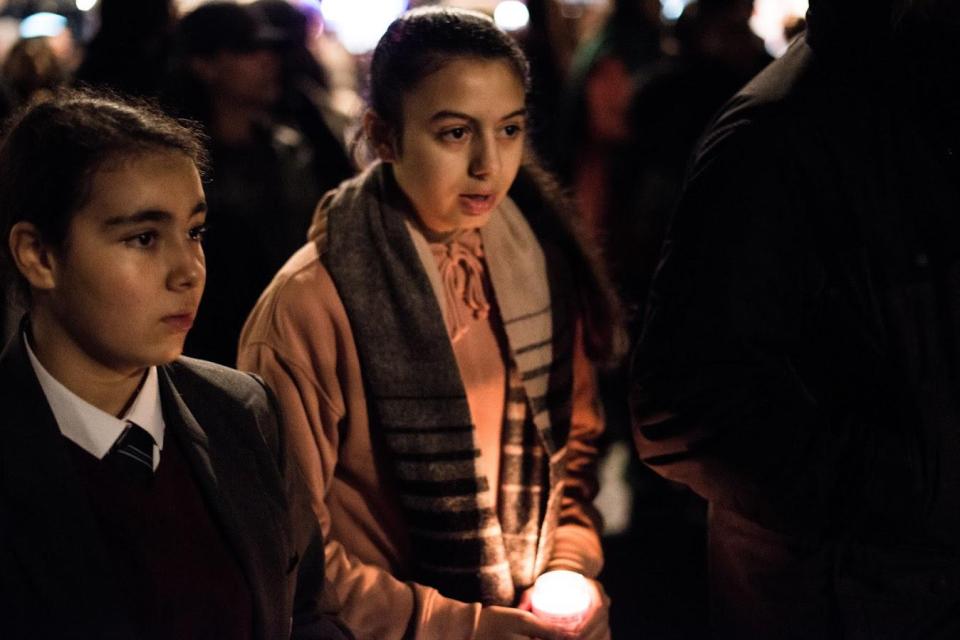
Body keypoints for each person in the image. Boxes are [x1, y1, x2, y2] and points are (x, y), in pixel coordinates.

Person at [238, 8, 621, 640]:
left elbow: (574, 456)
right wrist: (463, 628)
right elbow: (291, 551)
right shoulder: (309, 306)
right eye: (453, 133)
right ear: (384, 138)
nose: (487, 165)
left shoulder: (537, 265)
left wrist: (570, 567)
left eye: (508, 130)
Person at [631, 0, 960, 638]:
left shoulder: (925, 100)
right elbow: (683, 404)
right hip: (845, 604)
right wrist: (932, 483)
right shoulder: (781, 128)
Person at [0, 89, 351, 640]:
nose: (188, 270)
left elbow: (305, 612)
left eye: (194, 232)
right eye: (143, 238)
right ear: (39, 256)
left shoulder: (241, 409)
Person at [165, 0, 325, 366]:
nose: (267, 61)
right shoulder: (173, 165)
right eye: (246, 50)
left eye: (269, 49)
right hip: (207, 349)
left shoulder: (289, 148)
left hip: (288, 338)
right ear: (204, 65)